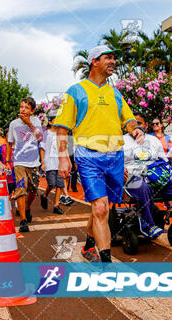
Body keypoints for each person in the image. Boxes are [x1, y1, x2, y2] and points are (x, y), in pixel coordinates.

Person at [56, 44, 145, 263]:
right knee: (101, 208)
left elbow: (128, 118)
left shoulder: (115, 93)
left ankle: (88, 245)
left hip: (115, 157)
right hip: (89, 156)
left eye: (114, 58)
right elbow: (62, 128)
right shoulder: (75, 91)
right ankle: (107, 265)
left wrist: (135, 127)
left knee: (101, 208)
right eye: (108, 57)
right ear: (94, 61)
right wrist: (63, 157)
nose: (113, 61)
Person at [124, 113, 172, 238]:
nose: (136, 127)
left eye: (139, 123)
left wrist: (163, 174)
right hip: (132, 177)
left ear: (145, 125)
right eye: (133, 124)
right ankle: (148, 225)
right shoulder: (123, 140)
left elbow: (163, 160)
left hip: (153, 176)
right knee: (144, 188)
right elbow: (114, 161)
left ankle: (156, 212)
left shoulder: (154, 140)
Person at [7, 97, 45, 232]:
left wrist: (29, 123)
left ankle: (27, 207)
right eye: (21, 106)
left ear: (32, 110)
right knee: (20, 189)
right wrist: (7, 161)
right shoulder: (13, 124)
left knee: (34, 189)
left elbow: (40, 138)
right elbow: (9, 142)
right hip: (19, 161)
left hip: (33, 161)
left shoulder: (36, 121)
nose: (23, 109)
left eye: (26, 108)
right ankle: (23, 220)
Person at [40, 116, 67, 215]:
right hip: (50, 162)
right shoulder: (46, 134)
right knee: (51, 184)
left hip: (60, 163)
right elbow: (42, 149)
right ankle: (44, 195)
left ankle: (56, 205)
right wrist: (43, 162)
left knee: (59, 184)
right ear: (51, 122)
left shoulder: (61, 134)